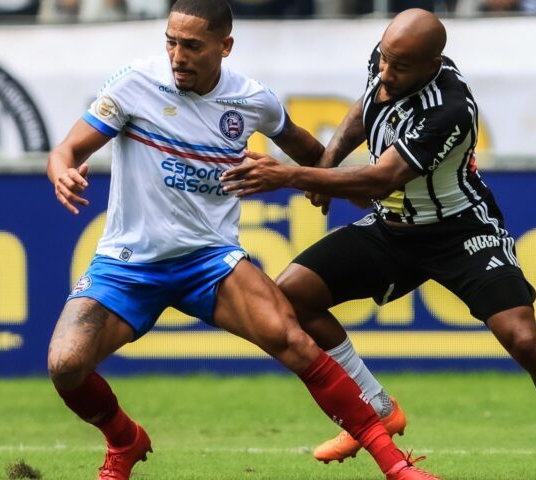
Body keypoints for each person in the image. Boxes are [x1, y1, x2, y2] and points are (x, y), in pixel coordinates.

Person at [221, 8, 536, 480]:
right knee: (292, 297)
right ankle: (376, 405)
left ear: (432, 63)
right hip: (394, 228)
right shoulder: (387, 64)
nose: (385, 71)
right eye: (383, 58)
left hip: (460, 231)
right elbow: (363, 109)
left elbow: (382, 178)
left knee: (523, 338)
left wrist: (290, 173)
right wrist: (327, 159)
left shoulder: (449, 108)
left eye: (399, 66)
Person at [46, 1, 440, 479]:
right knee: (65, 365)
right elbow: (67, 148)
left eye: (191, 46)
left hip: (210, 260)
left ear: (224, 47)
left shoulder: (253, 101)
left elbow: (313, 157)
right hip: (128, 264)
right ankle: (124, 441)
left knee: (294, 340)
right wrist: (63, 171)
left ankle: (396, 466)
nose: (177, 56)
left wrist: (356, 189)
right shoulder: (134, 84)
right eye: (171, 42)